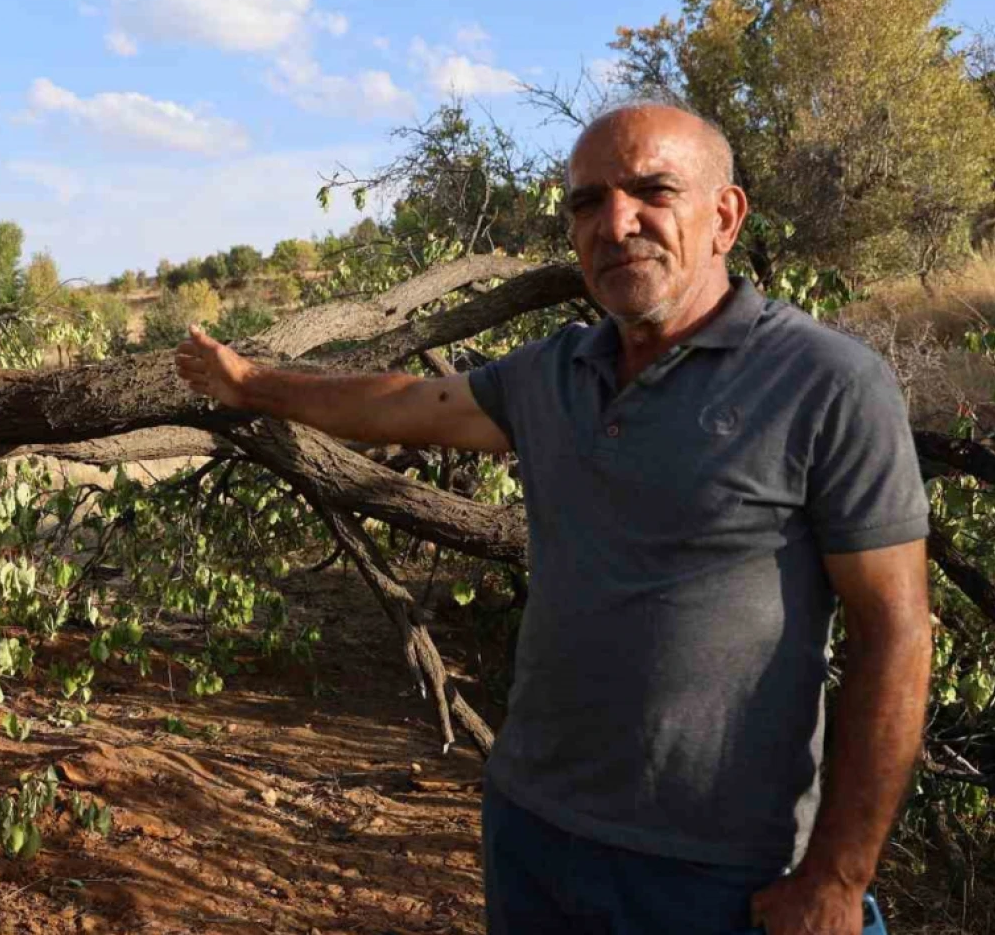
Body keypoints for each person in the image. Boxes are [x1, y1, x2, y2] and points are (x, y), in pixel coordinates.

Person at [173, 100, 931, 935]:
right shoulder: (556, 372)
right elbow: (406, 403)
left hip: (723, 871)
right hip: (534, 828)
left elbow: (894, 633)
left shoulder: (826, 383)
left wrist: (837, 874)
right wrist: (251, 386)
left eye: (653, 191)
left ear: (725, 215)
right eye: (586, 202)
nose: (616, 223)